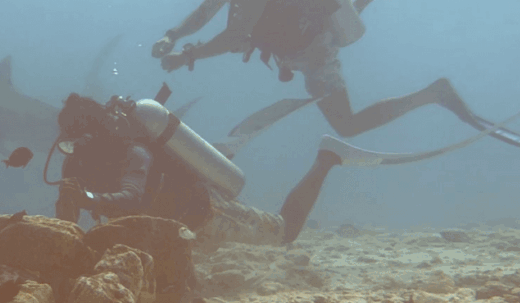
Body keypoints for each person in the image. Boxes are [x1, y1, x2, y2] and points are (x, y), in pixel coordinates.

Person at [150, 0, 516, 146]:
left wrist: (187, 56)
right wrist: (173, 34)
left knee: (347, 124)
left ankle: (433, 93)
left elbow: (237, 36)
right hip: (297, 45)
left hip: (313, 51)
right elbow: (205, 11)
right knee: (334, 83)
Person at [52, 93, 338, 247]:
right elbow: (69, 218)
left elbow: (133, 197)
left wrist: (86, 199)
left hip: (203, 213)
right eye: (69, 145)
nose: (76, 152)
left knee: (284, 232)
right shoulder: (76, 162)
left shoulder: (132, 152)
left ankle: (327, 157)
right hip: (166, 233)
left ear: (96, 135)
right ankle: (227, 147)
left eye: (81, 142)